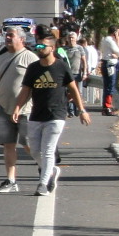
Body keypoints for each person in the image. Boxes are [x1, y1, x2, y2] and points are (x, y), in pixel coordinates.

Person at [12, 28, 90, 194]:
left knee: (48, 151)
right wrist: (17, 108)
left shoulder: (61, 66)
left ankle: (43, 184)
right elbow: (26, 90)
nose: (39, 49)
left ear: (52, 48)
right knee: (34, 150)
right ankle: (52, 171)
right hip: (36, 114)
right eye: (38, 46)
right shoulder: (33, 68)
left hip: (56, 115)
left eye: (43, 46)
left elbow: (73, 89)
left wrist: (82, 110)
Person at [0, 24, 36, 193]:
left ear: (22, 39)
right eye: (6, 35)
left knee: (29, 144)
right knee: (8, 145)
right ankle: (11, 180)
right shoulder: (1, 58)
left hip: (26, 110)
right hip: (4, 109)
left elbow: (37, 85)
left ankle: (46, 169)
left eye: (11, 35)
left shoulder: (30, 58)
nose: (7, 38)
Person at [98, 26, 119, 114]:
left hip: (106, 63)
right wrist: (118, 41)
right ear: (115, 32)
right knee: (110, 86)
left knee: (107, 86)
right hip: (110, 65)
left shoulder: (105, 40)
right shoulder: (110, 40)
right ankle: (107, 107)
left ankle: (106, 106)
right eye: (118, 32)